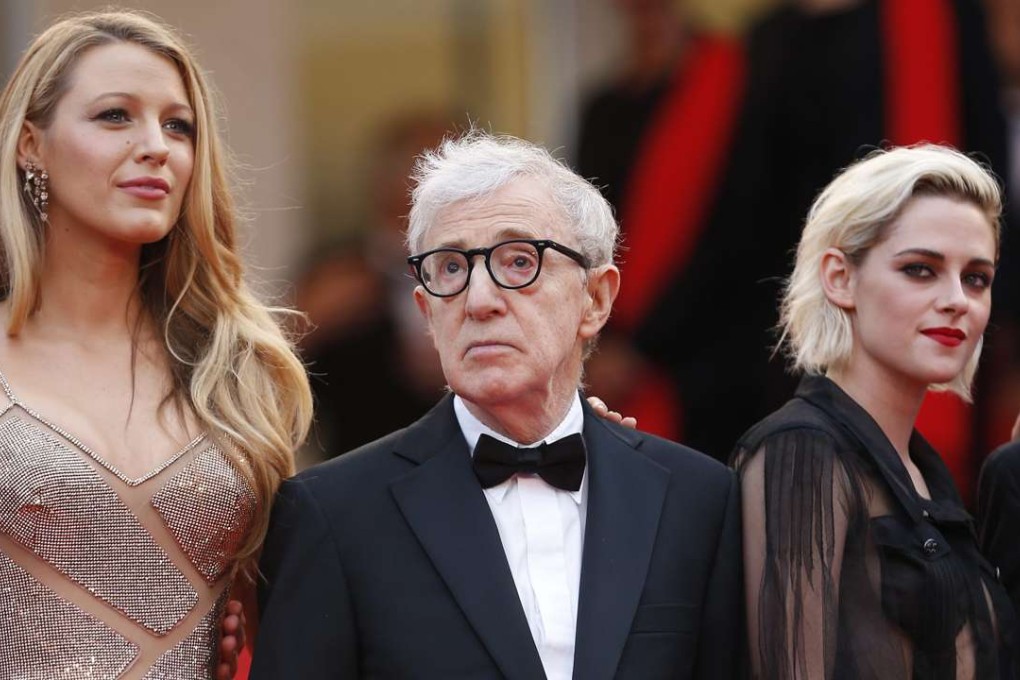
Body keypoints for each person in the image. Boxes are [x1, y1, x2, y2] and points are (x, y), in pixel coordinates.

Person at [252, 130, 742, 679]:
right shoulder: (334, 514)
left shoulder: (699, 499)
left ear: (595, 299)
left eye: (518, 261)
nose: (479, 300)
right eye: (451, 268)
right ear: (427, 312)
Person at [0, 10, 311, 678]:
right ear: (31, 144)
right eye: (115, 116)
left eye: (178, 126)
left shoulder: (238, 367)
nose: (156, 147)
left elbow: (288, 605)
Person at [733, 144, 1015, 679]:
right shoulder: (802, 450)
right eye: (920, 270)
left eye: (976, 278)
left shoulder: (928, 472)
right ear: (840, 278)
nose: (957, 299)